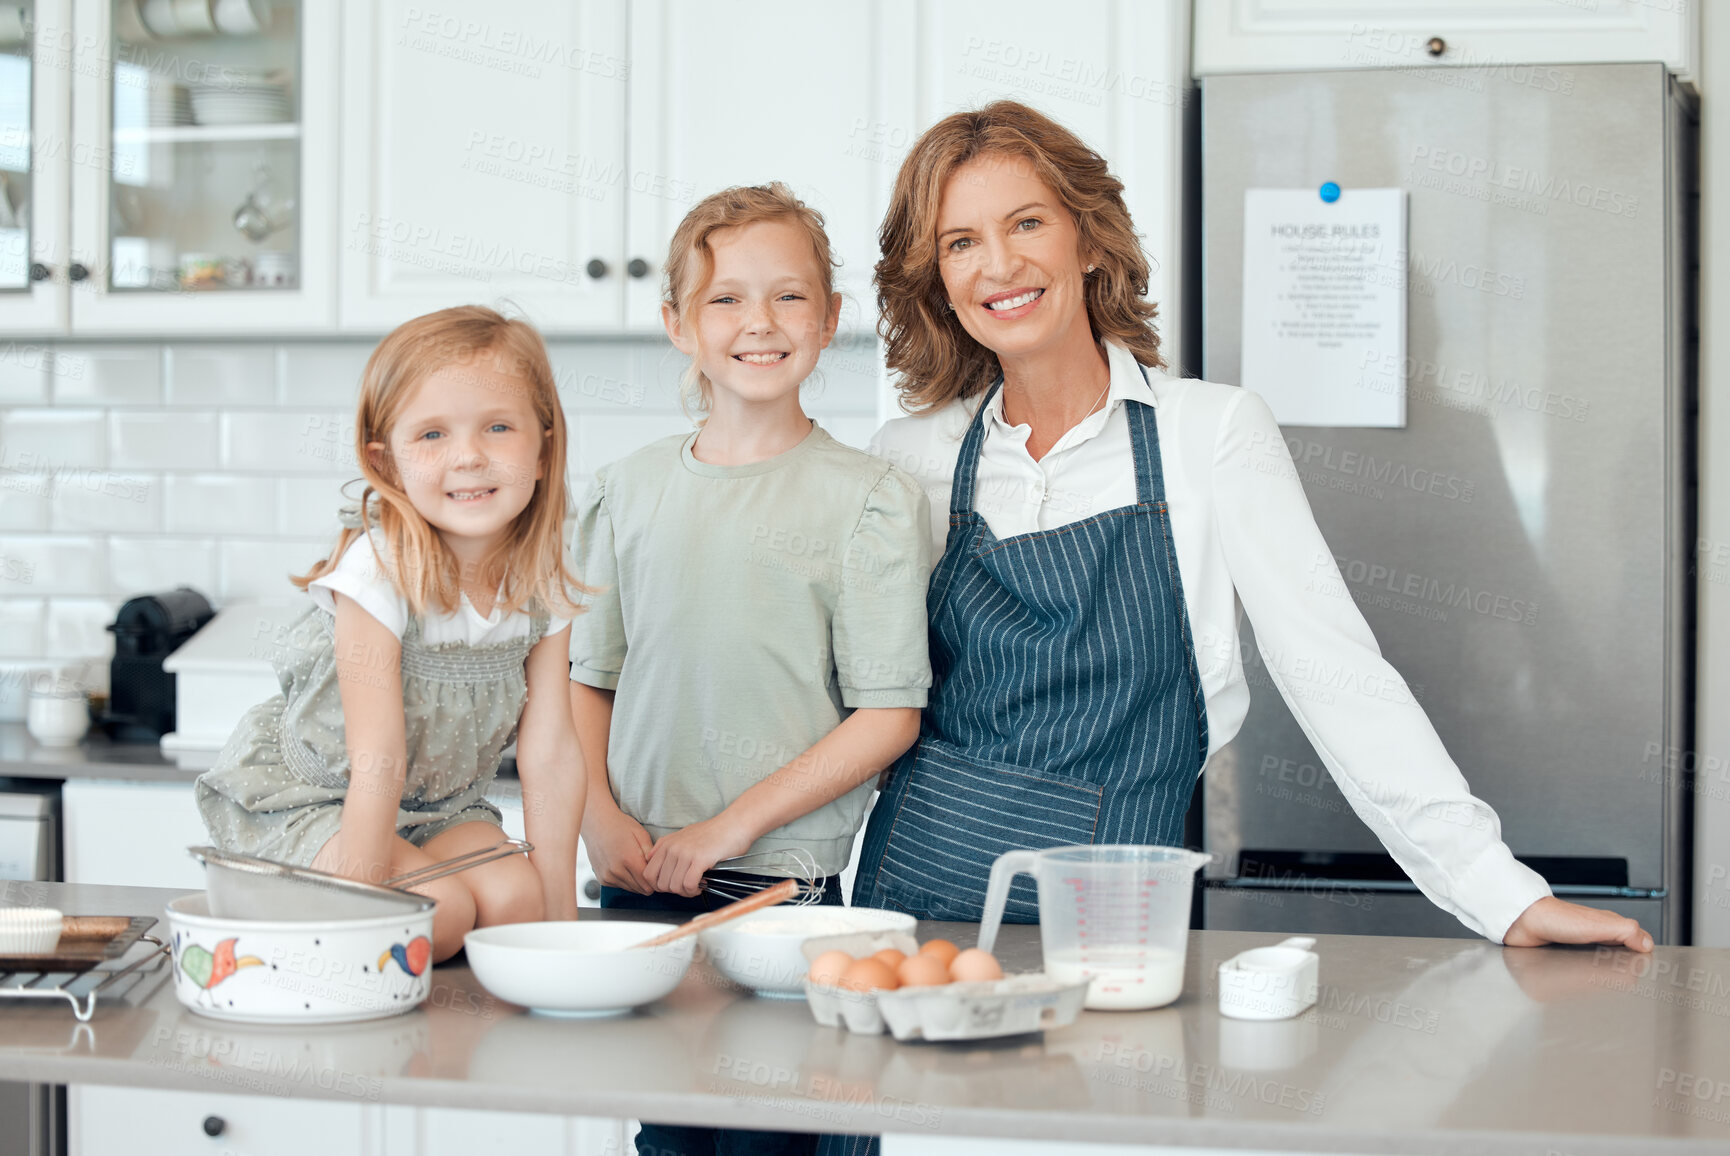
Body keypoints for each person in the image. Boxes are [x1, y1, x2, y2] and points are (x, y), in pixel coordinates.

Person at [850, 100, 1652, 955]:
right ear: (935, 277)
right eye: (959, 242)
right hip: (906, 916)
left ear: (1088, 241)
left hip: (1106, 924)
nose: (998, 263)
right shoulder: (912, 457)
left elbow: (1335, 671)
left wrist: (1504, 896)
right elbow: (849, 696)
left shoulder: (1213, 433)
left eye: (1027, 223)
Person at [568, 184, 931, 1156]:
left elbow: (887, 713)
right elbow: (584, 678)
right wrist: (597, 817)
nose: (757, 323)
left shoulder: (868, 501)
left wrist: (723, 831)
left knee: (768, 1138)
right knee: (670, 1137)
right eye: (725, 299)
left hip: (781, 893)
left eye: (788, 297)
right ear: (677, 325)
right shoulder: (622, 494)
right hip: (637, 881)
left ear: (830, 320)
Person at [196, 306, 587, 962]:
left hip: (440, 812)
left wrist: (565, 933)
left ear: (543, 450)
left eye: (498, 426)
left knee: (523, 904)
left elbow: (550, 756)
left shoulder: (539, 585)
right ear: (388, 461)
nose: (468, 456)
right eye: (432, 435)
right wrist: (356, 911)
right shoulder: (379, 573)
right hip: (324, 801)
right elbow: (377, 757)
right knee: (446, 913)